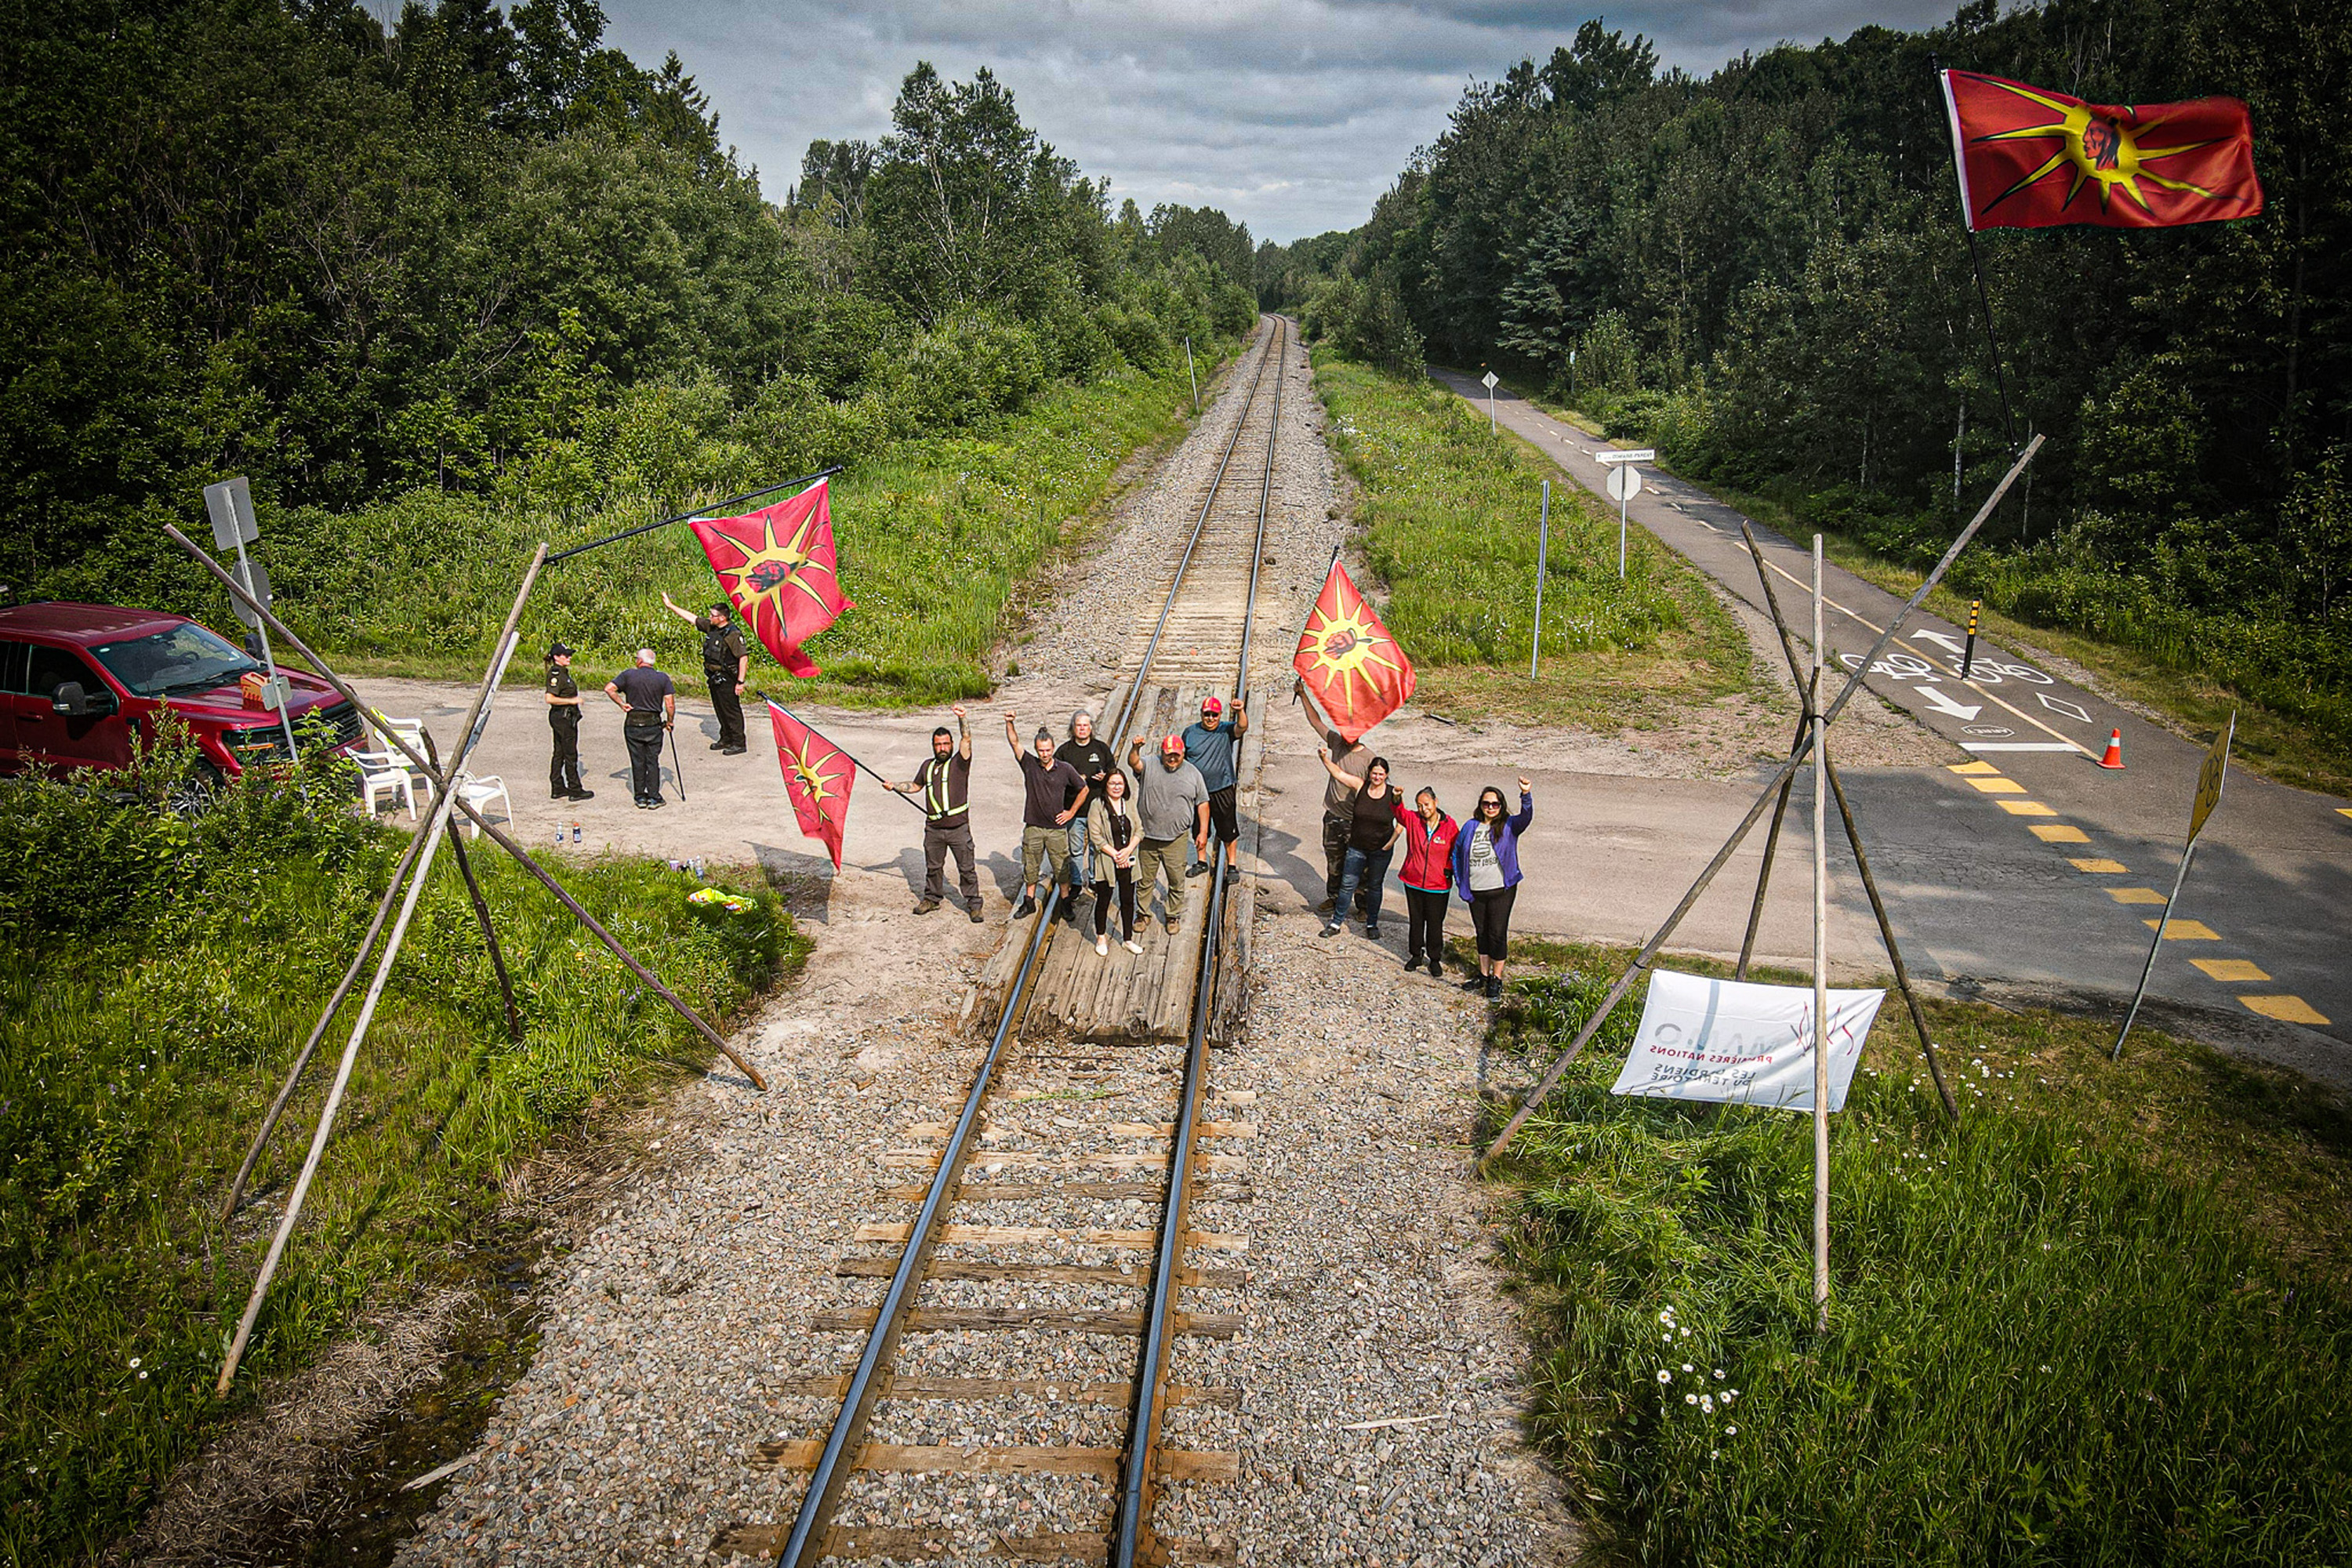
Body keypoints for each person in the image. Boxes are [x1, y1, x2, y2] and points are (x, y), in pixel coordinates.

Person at [885, 705, 981, 922]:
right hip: (934, 829)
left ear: (952, 744)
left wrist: (963, 718)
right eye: (938, 745)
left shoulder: (960, 763)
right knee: (933, 868)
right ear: (933, 746)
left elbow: (967, 738)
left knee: (967, 869)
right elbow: (915, 786)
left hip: (958, 829)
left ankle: (974, 904)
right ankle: (932, 899)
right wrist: (895, 786)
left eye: (946, 743)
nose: (942, 748)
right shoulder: (927, 766)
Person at [1294, 676, 1372, 916]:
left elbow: (1375, 793)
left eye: (1353, 731)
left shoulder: (1369, 759)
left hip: (1355, 821)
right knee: (1334, 861)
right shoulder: (1336, 743)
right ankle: (1335, 897)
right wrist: (1303, 694)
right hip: (1333, 816)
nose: (1348, 735)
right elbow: (1316, 722)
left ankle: (1363, 904)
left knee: (1359, 865)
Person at [1451, 779, 1535, 1000]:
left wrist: (1525, 794)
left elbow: (1526, 818)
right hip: (1476, 891)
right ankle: (1483, 975)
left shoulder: (1509, 825)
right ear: (1480, 805)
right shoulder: (1470, 826)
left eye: (1495, 804)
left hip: (1501, 890)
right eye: (1486, 803)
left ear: (1501, 806)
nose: (1490, 807)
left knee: (1497, 933)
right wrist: (1461, 883)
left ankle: (1497, 979)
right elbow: (1457, 852)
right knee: (1482, 932)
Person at [1125, 732, 1210, 934]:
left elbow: (1203, 803)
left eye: (1176, 755)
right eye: (1169, 754)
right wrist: (1135, 748)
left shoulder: (1193, 773)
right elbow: (1133, 763)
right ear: (1161, 753)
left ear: (1183, 754)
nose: (1172, 758)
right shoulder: (1149, 764)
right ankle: (1143, 913)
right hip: (1148, 836)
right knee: (1145, 880)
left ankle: (1172, 915)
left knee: (1176, 879)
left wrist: (1203, 832)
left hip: (1176, 838)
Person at [1007, 713, 1085, 920]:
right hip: (1034, 826)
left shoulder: (1065, 769)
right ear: (1036, 750)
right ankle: (1029, 901)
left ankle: (1066, 903)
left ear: (1053, 748)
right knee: (1031, 865)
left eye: (1048, 750)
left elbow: (1083, 789)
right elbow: (1014, 743)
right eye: (1041, 750)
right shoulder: (1030, 765)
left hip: (1056, 829)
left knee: (1062, 867)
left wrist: (1072, 812)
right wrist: (1010, 722)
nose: (1044, 754)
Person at [1316, 750, 1400, 941]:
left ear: (1386, 775)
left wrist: (1391, 842)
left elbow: (1403, 820)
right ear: (1369, 773)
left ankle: (1372, 923)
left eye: (1381, 774)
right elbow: (1338, 773)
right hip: (1357, 847)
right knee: (1347, 884)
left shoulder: (1392, 793)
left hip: (1380, 850)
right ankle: (1336, 922)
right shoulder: (1361, 786)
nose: (1377, 777)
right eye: (1374, 773)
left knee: (1374, 885)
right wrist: (1324, 758)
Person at [660, 590, 749, 753]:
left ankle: (738, 742)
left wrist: (740, 682)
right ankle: (726, 738)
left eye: (712, 615)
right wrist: (671, 606)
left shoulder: (733, 634)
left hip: (728, 678)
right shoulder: (711, 627)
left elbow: (743, 658)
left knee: (731, 710)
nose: (709, 617)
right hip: (714, 677)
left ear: (722, 618)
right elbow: (692, 618)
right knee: (720, 709)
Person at [1180, 694, 1250, 884]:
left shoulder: (1225, 729)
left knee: (1228, 827)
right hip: (1198, 790)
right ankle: (1201, 861)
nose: (1211, 718)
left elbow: (1242, 727)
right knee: (1199, 827)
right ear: (1201, 714)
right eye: (1207, 714)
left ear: (1220, 716)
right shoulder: (1190, 732)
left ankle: (1232, 865)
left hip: (1222, 787)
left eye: (1214, 715)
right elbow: (1182, 758)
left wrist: (1240, 711)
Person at [1058, 710, 1118, 918]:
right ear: (1073, 728)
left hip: (1097, 809)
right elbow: (1056, 778)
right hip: (1074, 809)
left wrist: (1105, 776)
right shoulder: (1064, 752)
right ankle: (1076, 882)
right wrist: (1079, 777)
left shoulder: (1100, 748)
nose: (1082, 729)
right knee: (1075, 849)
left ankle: (1094, 879)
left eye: (1086, 725)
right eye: (1078, 725)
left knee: (1096, 847)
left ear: (1091, 727)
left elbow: (1114, 771)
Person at [1395, 786, 1458, 976]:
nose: (1424, 809)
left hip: (1438, 886)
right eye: (1420, 805)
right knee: (1416, 921)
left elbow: (1457, 851)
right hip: (1413, 881)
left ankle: (1435, 958)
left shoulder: (1450, 825)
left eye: (1427, 804)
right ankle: (1416, 955)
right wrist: (1397, 798)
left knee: (1435, 923)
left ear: (1436, 802)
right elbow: (1398, 813)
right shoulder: (1413, 819)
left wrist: (1450, 872)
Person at [604, 648, 677, 809]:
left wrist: (621, 703)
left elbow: (609, 688)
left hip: (633, 722)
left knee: (637, 760)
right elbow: (670, 704)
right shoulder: (662, 678)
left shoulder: (629, 675)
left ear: (639, 661)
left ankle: (640, 796)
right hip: (653, 723)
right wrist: (670, 722)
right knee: (652, 760)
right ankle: (653, 796)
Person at [1087, 766, 1145, 956]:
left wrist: (1127, 852)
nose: (1116, 787)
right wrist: (1116, 854)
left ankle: (1127, 939)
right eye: (1112, 783)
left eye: (1120, 783)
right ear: (1106, 785)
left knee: (1128, 900)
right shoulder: (1097, 805)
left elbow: (1139, 830)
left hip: (1128, 860)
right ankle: (1101, 937)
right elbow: (1095, 836)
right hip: (1107, 861)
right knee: (1103, 899)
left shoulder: (1129, 803)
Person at [543, 641, 592, 800]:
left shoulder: (563, 672)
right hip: (563, 718)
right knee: (570, 754)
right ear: (557, 657)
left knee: (560, 752)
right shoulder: (556, 674)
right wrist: (572, 701)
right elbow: (549, 698)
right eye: (566, 655)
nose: (569, 658)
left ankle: (558, 786)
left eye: (570, 655)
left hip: (565, 717)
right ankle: (574, 789)